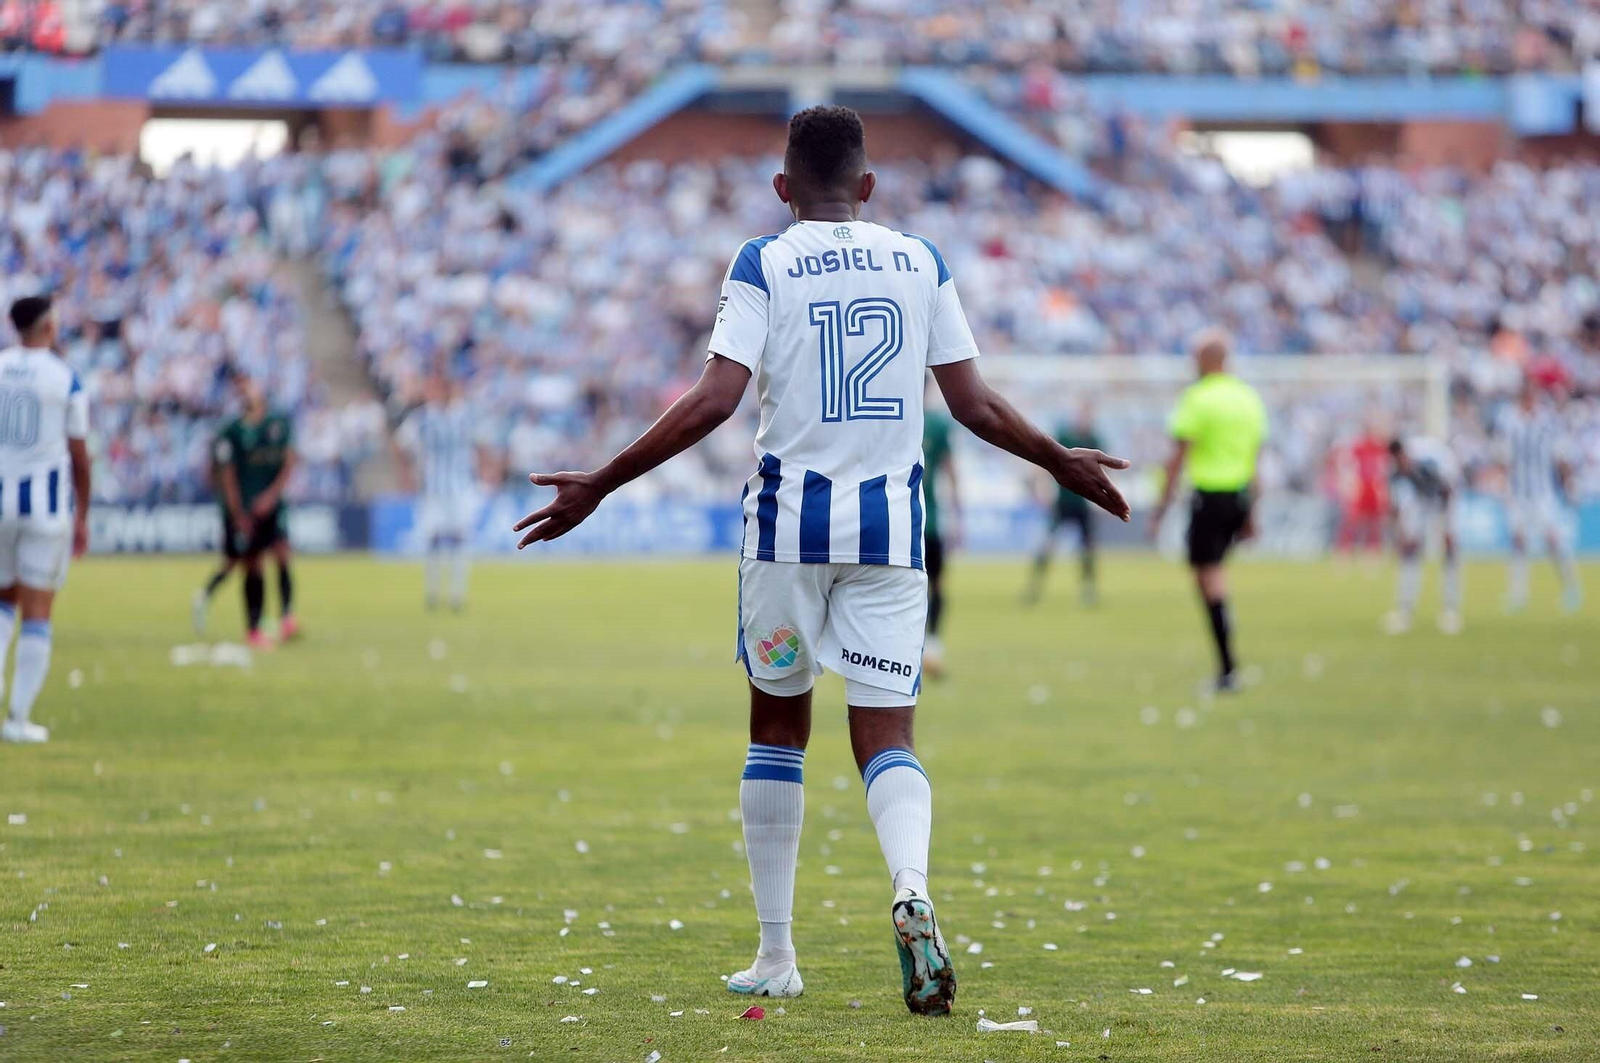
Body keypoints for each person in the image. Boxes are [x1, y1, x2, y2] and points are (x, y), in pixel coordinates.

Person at [510, 105, 1129, 1015]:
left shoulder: (763, 259)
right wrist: (1060, 460)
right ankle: (911, 887)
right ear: (869, 187)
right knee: (888, 739)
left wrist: (602, 480)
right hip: (890, 537)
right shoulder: (920, 259)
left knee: (776, 733)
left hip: (788, 535)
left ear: (783, 188)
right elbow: (974, 405)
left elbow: (715, 398)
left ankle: (776, 954)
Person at [1149, 331, 1267, 692]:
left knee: (1209, 577)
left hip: (1210, 496)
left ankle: (1228, 667)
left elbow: (1178, 456)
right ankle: (1227, 654)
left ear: (1206, 360)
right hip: (1239, 496)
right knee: (1209, 575)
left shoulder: (1198, 399)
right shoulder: (1248, 398)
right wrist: (1251, 514)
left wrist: (1161, 507)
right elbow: (1255, 461)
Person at [0, 296, 91, 744]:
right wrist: (84, 514)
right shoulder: (64, 376)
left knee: (0, 603)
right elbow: (79, 453)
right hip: (45, 509)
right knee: (37, 610)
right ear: (49, 327)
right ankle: (17, 718)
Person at [211, 371, 298, 649]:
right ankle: (253, 628)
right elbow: (227, 476)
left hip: (273, 505)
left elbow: (289, 461)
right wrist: (237, 514)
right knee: (253, 563)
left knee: (283, 552)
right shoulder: (231, 431)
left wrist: (272, 496)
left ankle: (286, 617)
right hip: (246, 509)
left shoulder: (278, 424)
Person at [396, 375, 484, 612]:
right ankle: (432, 592)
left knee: (461, 539)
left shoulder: (465, 415)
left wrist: (486, 474)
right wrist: (407, 476)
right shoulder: (423, 418)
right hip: (433, 489)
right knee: (433, 539)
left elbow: (481, 444)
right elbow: (400, 444)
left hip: (461, 487)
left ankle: (457, 594)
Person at [1499, 381, 1582, 613]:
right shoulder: (1510, 421)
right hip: (1517, 492)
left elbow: (1560, 455)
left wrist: (1568, 484)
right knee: (1517, 541)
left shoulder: (1546, 422)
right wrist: (1503, 487)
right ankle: (1518, 593)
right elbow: (1504, 458)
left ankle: (1571, 586)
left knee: (1552, 540)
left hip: (1542, 492)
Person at [1025, 403, 1104, 605]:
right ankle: (1034, 587)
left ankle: (1088, 589)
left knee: (1087, 549)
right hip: (1064, 502)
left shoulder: (1094, 440)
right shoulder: (1065, 438)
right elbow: (1048, 462)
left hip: (1083, 504)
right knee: (1048, 546)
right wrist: (1041, 487)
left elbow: (1104, 472)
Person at [1385, 435, 1463, 634]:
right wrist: (1402, 532)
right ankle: (1405, 608)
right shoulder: (1396, 473)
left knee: (1449, 550)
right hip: (1420, 502)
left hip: (1443, 499)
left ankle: (1450, 608)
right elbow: (1398, 505)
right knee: (1410, 551)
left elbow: (1448, 490)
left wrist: (1447, 526)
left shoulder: (1431, 464)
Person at [919, 395, 959, 679]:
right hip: (927, 520)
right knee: (936, 585)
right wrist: (958, 513)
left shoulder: (884, 418)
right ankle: (932, 644)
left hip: (900, 522)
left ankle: (919, 648)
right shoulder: (936, 424)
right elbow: (949, 469)